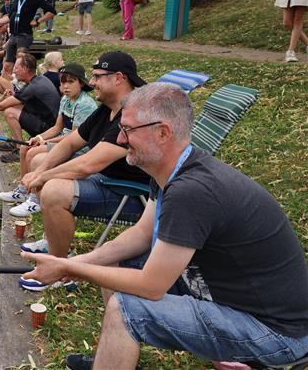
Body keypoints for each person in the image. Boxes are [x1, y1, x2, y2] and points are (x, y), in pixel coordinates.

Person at [22, 82, 308, 370]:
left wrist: (71, 269)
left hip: (275, 332)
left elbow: (151, 286)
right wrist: (79, 261)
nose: (120, 139)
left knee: (126, 310)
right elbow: (142, 233)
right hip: (224, 294)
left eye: (127, 130)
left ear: (162, 133)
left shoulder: (191, 191)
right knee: (115, 263)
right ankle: (114, 357)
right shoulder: (171, 170)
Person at [10, 52, 150, 282]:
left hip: (132, 193)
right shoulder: (107, 109)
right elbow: (71, 142)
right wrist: (40, 171)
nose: (92, 82)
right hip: (107, 180)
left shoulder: (133, 115)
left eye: (97, 76)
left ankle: (57, 268)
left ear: (118, 78)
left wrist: (43, 176)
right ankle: (54, 247)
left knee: (53, 191)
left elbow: (88, 164)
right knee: (46, 173)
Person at [0, 62, 98, 208]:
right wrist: (40, 137)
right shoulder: (65, 99)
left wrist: (46, 142)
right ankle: (23, 189)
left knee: (33, 152)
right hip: (64, 140)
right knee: (25, 147)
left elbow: (74, 137)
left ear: (81, 83)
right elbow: (57, 127)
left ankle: (35, 197)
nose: (66, 86)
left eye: (71, 82)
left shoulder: (84, 104)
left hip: (78, 147)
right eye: (63, 82)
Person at [0, 52, 59, 164]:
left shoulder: (33, 87)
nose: (14, 71)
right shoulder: (39, 80)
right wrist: (11, 98)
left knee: (9, 112)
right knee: (12, 106)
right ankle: (16, 142)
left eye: (16, 68)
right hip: (47, 121)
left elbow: (0, 106)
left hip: (48, 129)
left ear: (25, 69)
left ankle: (19, 148)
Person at [0, 0, 57, 79]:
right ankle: (7, 86)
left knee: (21, 65)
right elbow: (9, 17)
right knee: (7, 66)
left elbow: (52, 12)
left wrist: (38, 21)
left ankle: (24, 85)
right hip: (13, 36)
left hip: (24, 36)